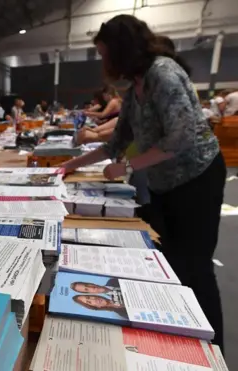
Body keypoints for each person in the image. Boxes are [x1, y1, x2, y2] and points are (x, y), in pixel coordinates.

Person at [61, 15, 225, 349]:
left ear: (122, 50)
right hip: (166, 183)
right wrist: (71, 165)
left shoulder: (162, 74)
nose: (105, 63)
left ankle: (214, 347)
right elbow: (115, 143)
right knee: (171, 260)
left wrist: (128, 167)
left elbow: (182, 135)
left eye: (106, 54)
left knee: (195, 265)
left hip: (197, 177)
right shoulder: (135, 88)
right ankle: (181, 331)